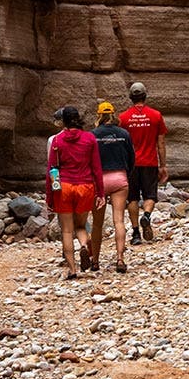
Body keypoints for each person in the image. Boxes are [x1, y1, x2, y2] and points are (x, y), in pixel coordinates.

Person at [45, 106, 102, 279]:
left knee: (67, 231)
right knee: (80, 225)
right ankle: (84, 245)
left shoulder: (57, 140)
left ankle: (72, 269)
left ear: (64, 120)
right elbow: (97, 168)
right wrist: (100, 193)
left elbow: (52, 169)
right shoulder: (90, 138)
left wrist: (49, 197)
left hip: (64, 188)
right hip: (85, 187)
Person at [88, 101, 135, 274]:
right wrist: (126, 175)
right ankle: (120, 259)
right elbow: (131, 158)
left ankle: (95, 261)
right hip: (119, 178)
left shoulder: (92, 135)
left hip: (98, 181)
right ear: (114, 114)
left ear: (99, 115)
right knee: (119, 221)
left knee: (97, 225)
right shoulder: (124, 134)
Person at [120, 82, 168, 244]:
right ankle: (146, 216)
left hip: (130, 164)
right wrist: (163, 166)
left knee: (132, 199)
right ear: (145, 96)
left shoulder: (123, 118)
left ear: (131, 98)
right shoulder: (156, 115)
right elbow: (160, 143)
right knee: (150, 196)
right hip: (150, 162)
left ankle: (135, 234)